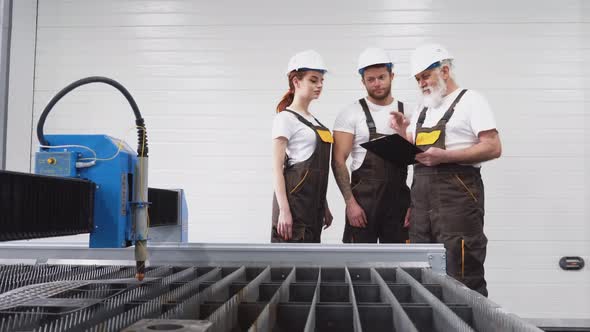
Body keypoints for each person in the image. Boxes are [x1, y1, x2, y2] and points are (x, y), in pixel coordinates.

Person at [390, 43, 502, 296]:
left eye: (426, 75)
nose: (421, 83)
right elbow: (421, 153)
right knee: (421, 273)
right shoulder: (423, 108)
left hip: (458, 199)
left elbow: (493, 147)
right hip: (421, 202)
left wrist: (447, 156)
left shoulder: (471, 100)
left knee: (462, 270)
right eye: (418, 79)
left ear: (445, 70)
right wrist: (401, 132)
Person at [332, 47, 410, 243]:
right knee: (357, 268)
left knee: (399, 268)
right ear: (363, 81)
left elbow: (420, 161)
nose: (377, 83)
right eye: (371, 79)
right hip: (363, 206)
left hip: (398, 205)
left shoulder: (409, 112)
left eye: (382, 77)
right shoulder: (351, 113)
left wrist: (413, 205)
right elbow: (338, 160)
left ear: (392, 75)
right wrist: (350, 203)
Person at [271, 50, 333, 243]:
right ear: (296, 82)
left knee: (310, 268)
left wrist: (324, 205)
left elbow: (317, 171)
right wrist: (284, 211)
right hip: (294, 209)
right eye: (313, 80)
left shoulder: (315, 122)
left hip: (312, 208)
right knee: (288, 270)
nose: (320, 85)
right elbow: (276, 168)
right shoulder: (285, 119)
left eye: (321, 80)